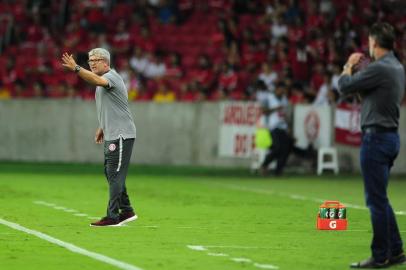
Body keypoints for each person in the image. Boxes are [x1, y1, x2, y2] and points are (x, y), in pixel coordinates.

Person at [338, 22, 405, 268]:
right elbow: (368, 96)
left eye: (369, 41)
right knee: (381, 198)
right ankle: (396, 250)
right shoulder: (396, 67)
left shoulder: (381, 68)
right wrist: (360, 79)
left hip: (375, 139)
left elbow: (343, 86)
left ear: (374, 42)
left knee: (375, 201)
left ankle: (380, 256)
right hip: (389, 137)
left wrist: (348, 66)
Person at [61, 48, 138, 227]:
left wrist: (77, 68)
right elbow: (111, 107)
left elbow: (96, 80)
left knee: (115, 174)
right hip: (112, 133)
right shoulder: (103, 81)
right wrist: (102, 126)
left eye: (96, 60)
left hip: (121, 134)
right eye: (90, 60)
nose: (92, 63)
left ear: (106, 62)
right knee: (111, 173)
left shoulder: (112, 77)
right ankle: (127, 211)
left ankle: (112, 216)